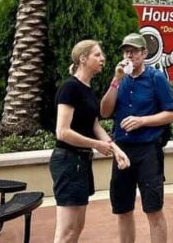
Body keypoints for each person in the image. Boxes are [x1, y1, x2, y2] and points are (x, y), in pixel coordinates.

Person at [50, 40, 131, 243]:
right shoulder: (70, 88)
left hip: (81, 163)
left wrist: (115, 149)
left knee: (77, 228)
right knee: (66, 232)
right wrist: (96, 145)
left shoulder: (86, 89)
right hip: (68, 162)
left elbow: (95, 126)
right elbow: (62, 132)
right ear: (82, 59)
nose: (103, 58)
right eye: (97, 55)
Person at [101, 33, 173, 243]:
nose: (129, 55)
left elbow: (171, 114)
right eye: (126, 51)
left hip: (148, 150)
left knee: (153, 209)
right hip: (122, 150)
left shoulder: (156, 78)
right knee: (122, 209)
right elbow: (105, 112)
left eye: (133, 51)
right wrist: (116, 80)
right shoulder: (120, 79)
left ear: (144, 53)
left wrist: (142, 121)